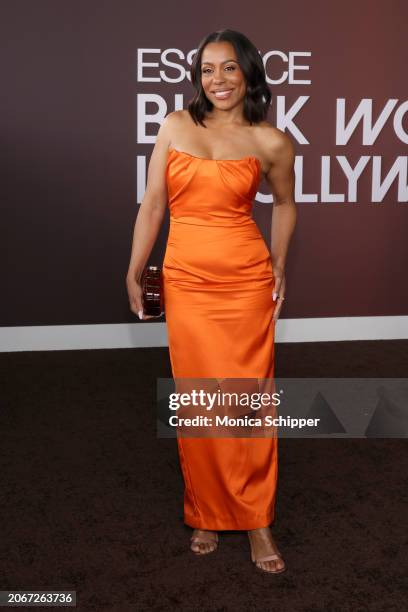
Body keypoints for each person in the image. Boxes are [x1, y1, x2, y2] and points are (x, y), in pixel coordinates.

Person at [126, 29, 296, 574]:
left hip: (245, 279)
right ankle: (204, 509)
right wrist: (134, 269)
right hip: (187, 279)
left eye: (227, 68)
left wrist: (279, 264)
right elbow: (153, 204)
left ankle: (255, 517)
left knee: (249, 397)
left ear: (248, 73)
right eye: (206, 70)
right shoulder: (177, 124)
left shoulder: (271, 141)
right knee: (198, 397)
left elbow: (287, 206)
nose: (216, 80)